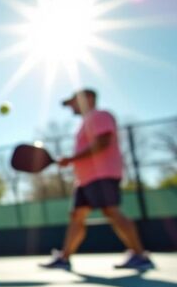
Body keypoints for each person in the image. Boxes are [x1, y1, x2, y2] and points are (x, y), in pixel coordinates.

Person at [40, 88, 154, 271]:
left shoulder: (99, 116)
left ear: (89, 98)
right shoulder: (86, 122)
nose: (71, 107)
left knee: (111, 211)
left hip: (102, 174)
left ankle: (140, 255)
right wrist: (72, 160)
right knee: (76, 216)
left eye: (74, 102)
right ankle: (64, 257)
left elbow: (102, 142)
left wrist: (72, 159)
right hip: (85, 179)